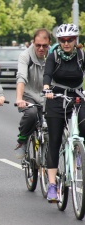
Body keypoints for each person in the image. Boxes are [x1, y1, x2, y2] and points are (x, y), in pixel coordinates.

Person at [43, 24, 85, 202]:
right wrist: (46, 88)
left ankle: (78, 154)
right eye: (62, 40)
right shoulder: (53, 56)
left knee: (83, 128)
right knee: (54, 140)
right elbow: (47, 75)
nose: (66, 43)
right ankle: (52, 185)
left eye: (70, 40)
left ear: (76, 40)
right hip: (57, 98)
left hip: (76, 97)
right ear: (59, 41)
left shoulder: (82, 55)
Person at [14, 28, 52, 159]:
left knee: (55, 121)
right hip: (29, 95)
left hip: (48, 96)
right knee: (31, 113)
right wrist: (19, 98)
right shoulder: (26, 56)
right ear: (33, 43)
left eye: (45, 46)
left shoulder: (53, 55)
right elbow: (21, 78)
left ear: (49, 44)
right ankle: (22, 140)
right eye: (38, 45)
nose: (41, 48)